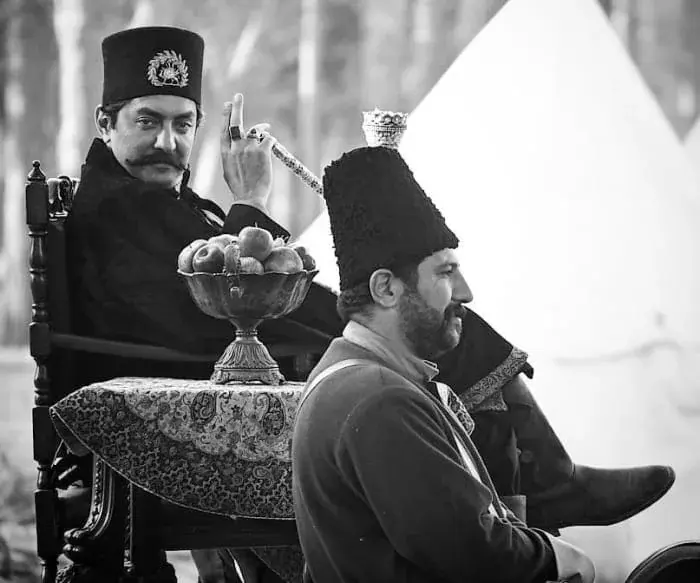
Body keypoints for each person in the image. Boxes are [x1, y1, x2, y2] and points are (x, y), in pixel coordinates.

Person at [62, 25, 673, 582]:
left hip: (269, 355)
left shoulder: (162, 202)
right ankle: (529, 518)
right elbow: (190, 314)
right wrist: (249, 203)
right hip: (213, 376)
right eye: (148, 122)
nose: (167, 141)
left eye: (182, 124)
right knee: (425, 323)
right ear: (105, 123)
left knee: (441, 313)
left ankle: (539, 494)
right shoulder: (114, 208)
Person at [292, 146, 595, 582]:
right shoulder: (380, 399)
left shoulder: (353, 377)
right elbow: (471, 553)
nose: (466, 292)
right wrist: (557, 557)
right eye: (445, 272)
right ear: (386, 289)